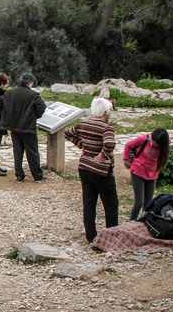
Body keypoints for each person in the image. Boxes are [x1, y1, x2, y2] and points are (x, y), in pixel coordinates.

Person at [64, 97, 118, 243]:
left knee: (89, 202)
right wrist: (103, 155)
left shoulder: (83, 124)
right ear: (105, 112)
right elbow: (110, 144)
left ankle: (90, 236)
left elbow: (67, 133)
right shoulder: (106, 127)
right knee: (110, 204)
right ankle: (111, 236)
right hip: (101, 169)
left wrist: (82, 145)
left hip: (85, 167)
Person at [0, 73, 46, 182]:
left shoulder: (10, 93)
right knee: (32, 152)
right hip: (28, 127)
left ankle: (19, 174)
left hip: (14, 127)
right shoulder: (33, 95)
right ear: (30, 83)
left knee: (17, 151)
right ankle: (37, 176)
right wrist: (34, 116)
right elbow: (41, 106)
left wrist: (6, 115)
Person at [123, 127, 171, 220]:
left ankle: (144, 221)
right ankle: (131, 222)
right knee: (139, 201)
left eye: (155, 144)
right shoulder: (143, 139)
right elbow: (128, 145)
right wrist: (125, 160)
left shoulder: (166, 142)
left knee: (148, 202)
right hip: (138, 170)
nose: (152, 144)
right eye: (152, 141)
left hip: (152, 173)